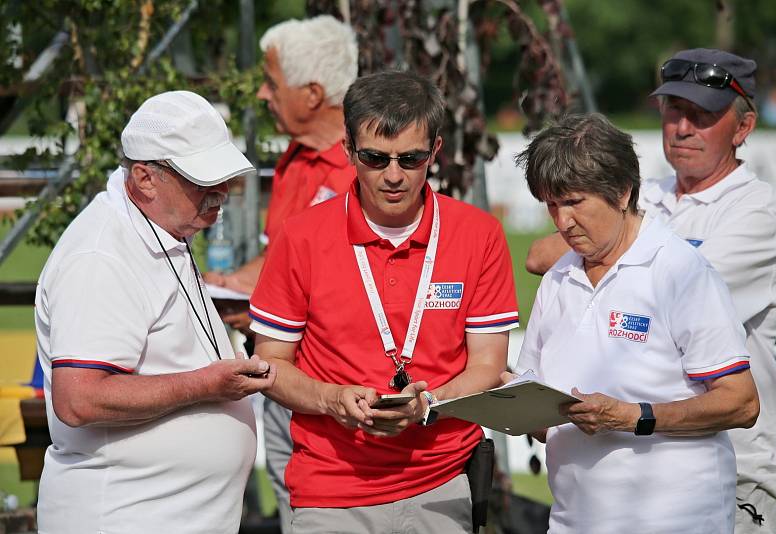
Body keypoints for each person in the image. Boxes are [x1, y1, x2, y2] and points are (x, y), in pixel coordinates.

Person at [526, 49, 776, 532]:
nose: (683, 127)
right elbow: (539, 255)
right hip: (600, 497)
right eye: (674, 111)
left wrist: (619, 241)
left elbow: (679, 281)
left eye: (703, 115)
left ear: (743, 127)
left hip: (734, 471)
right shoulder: (647, 197)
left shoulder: (756, 208)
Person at [249, 70, 519, 533]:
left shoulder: (479, 234)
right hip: (331, 491)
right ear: (349, 150)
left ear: (435, 152)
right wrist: (333, 399)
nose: (393, 176)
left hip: (443, 484)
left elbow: (488, 365)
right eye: (375, 158)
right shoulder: (302, 236)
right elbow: (270, 365)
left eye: (411, 159)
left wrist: (428, 403)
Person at [34, 91, 276, 534]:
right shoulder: (101, 255)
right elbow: (79, 398)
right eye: (204, 179)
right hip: (125, 517)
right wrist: (208, 384)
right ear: (145, 178)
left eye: (224, 177)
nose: (221, 192)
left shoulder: (156, 226)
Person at [203, 15, 359, 531]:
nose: (264, 95)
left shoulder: (372, 172)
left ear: (313, 93)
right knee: (296, 512)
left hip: (337, 394)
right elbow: (277, 259)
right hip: (277, 373)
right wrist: (221, 285)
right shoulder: (295, 158)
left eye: (273, 82)